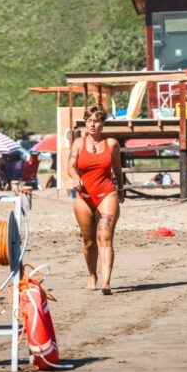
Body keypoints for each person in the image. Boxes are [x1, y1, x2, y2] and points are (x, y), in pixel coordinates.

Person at [67, 105, 124, 295]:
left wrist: (121, 188)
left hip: (106, 193)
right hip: (84, 196)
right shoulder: (78, 143)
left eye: (96, 121)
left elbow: (117, 169)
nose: (92, 124)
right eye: (89, 120)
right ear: (86, 122)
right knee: (89, 241)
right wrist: (75, 178)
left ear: (103, 123)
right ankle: (92, 275)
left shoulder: (112, 144)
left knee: (105, 236)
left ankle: (106, 282)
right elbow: (71, 166)